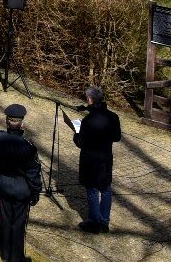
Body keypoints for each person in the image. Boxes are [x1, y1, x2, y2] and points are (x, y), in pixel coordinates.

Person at [0, 104, 42, 262]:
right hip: (21, 190)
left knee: (6, 220)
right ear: (22, 124)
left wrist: (1, 178)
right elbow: (33, 174)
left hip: (3, 186)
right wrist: (35, 192)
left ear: (6, 121)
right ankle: (16, 258)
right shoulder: (27, 147)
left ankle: (5, 254)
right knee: (18, 224)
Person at [72, 86, 122, 233]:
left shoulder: (88, 120)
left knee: (93, 189)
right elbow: (117, 137)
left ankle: (94, 222)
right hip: (106, 158)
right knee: (106, 188)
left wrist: (76, 132)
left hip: (90, 160)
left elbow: (80, 143)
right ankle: (104, 222)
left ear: (89, 99)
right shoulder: (113, 117)